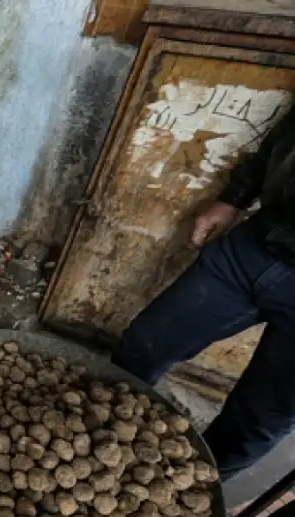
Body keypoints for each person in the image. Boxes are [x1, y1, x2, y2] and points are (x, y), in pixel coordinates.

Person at [113, 106, 295, 481]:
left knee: (257, 419)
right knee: (145, 343)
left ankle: (186, 491)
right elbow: (286, 135)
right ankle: (101, 427)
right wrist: (234, 197)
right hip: (260, 243)